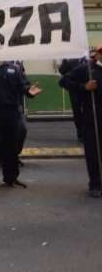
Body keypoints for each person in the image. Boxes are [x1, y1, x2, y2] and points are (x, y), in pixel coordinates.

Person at [59, 49, 102, 198]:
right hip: (93, 118)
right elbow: (63, 81)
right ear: (96, 54)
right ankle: (95, 184)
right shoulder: (87, 69)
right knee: (94, 153)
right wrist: (84, 87)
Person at [60, 57, 87, 142]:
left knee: (86, 112)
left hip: (86, 91)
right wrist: (65, 61)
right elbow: (62, 71)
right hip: (75, 91)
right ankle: (81, 134)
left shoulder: (88, 60)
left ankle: (86, 133)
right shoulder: (70, 60)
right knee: (77, 112)